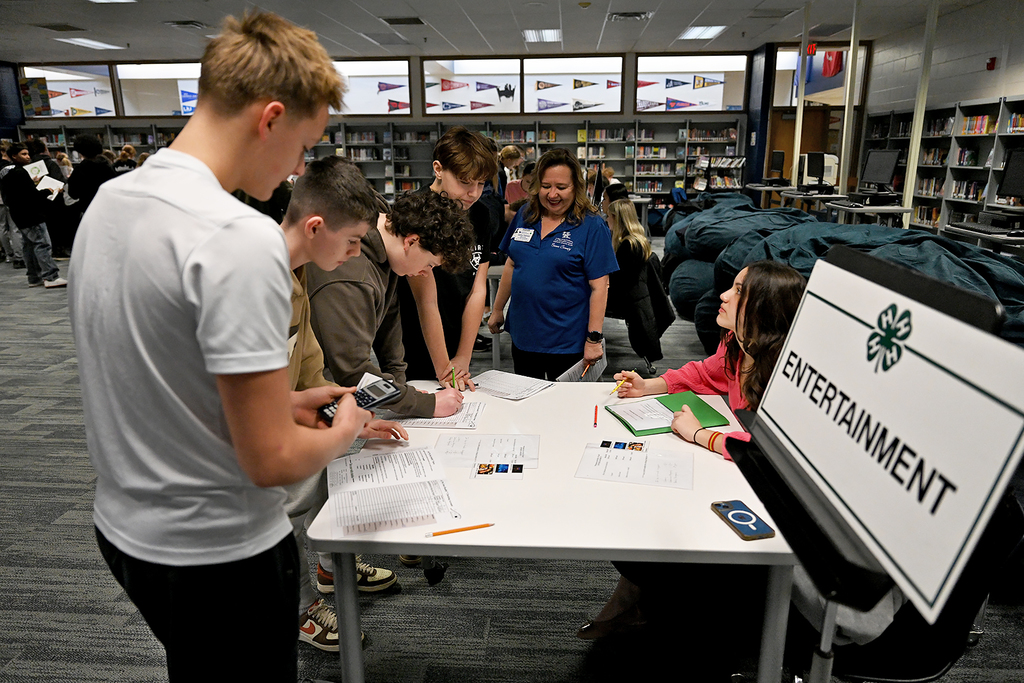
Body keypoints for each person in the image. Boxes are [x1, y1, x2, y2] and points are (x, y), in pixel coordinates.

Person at [68, 12, 365, 681]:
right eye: (303, 145)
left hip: (126, 531)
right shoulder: (236, 236)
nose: (297, 168)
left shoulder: (110, 204)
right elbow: (272, 462)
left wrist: (282, 400)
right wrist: (342, 430)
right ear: (271, 117)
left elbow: (158, 375)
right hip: (219, 552)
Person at [577, 261, 806, 641]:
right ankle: (644, 601)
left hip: (783, 508)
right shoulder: (739, 345)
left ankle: (689, 621)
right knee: (639, 512)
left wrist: (701, 435)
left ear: (762, 307)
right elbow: (705, 373)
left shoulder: (786, 373)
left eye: (737, 291)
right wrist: (649, 386)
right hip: (746, 479)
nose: (723, 295)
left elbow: (771, 451)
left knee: (661, 532)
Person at [279, 155, 406, 651]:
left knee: (315, 492)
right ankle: (302, 608)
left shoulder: (297, 271)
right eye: (352, 241)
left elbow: (305, 354)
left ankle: (327, 574)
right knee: (287, 512)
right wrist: (338, 431)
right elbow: (240, 404)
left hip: (282, 416)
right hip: (232, 467)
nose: (356, 253)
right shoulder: (259, 280)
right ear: (315, 227)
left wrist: (337, 410)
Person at [307, 189, 474, 419]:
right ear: (412, 241)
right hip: (292, 381)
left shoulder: (387, 237)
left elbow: (389, 314)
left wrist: (400, 389)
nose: (426, 274)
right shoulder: (351, 275)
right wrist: (424, 404)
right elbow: (354, 374)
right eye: (430, 264)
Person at [488, 147, 618, 380]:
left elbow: (600, 287)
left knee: (567, 411)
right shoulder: (525, 215)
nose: (552, 194)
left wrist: (594, 339)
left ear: (576, 188)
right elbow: (511, 263)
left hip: (568, 343)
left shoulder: (591, 225)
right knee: (528, 405)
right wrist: (498, 309)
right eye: (546, 186)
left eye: (561, 187)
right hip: (524, 336)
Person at [397, 126, 498, 389]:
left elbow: (478, 288)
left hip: (458, 332)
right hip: (416, 339)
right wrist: (445, 369)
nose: (473, 193)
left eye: (481, 183)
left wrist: (464, 355)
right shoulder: (418, 211)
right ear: (439, 169)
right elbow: (425, 301)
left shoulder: (481, 215)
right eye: (465, 182)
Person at [605, 197, 673, 369]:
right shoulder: (638, 240)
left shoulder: (628, 248)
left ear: (617, 219)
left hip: (623, 298)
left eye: (609, 217)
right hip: (635, 298)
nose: (606, 220)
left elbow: (617, 282)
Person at [0, 142, 67, 288]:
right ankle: (51, 276)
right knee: (42, 244)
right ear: (14, 156)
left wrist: (32, 182)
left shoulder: (6, 172)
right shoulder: (20, 172)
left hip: (18, 214)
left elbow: (18, 193)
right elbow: (31, 196)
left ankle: (34, 277)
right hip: (32, 214)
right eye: (23, 154)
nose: (28, 157)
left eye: (28, 153)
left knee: (29, 246)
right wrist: (49, 190)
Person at [64, 134, 117, 248]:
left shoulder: (80, 169)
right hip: (110, 209)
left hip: (90, 210)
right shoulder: (107, 165)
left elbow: (73, 193)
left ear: (80, 151)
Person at [0, 142, 25, 269]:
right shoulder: (9, 168)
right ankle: (19, 256)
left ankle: (8, 254)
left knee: (2, 227)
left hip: (0, 199)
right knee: (14, 227)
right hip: (8, 199)